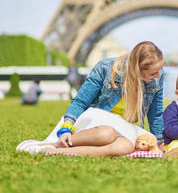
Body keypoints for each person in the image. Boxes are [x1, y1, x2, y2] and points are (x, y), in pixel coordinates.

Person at [17, 41, 164, 157]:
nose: (158, 76)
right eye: (153, 73)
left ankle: (56, 151)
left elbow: (155, 114)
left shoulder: (157, 78)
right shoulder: (105, 68)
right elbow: (80, 101)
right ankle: (56, 143)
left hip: (124, 126)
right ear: (137, 70)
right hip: (97, 122)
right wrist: (67, 127)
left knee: (125, 147)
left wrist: (160, 142)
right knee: (107, 133)